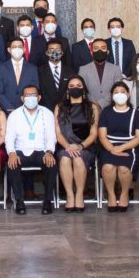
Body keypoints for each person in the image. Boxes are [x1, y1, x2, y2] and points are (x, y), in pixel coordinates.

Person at [6, 84, 57, 215]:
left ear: (39, 97)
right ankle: (19, 201)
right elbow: (9, 138)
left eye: (33, 95)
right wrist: (11, 153)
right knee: (12, 164)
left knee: (51, 164)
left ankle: (48, 201)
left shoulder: (47, 113)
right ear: (22, 98)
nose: (30, 98)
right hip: (20, 151)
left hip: (41, 151)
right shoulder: (14, 115)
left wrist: (49, 152)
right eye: (27, 96)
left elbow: (52, 136)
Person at [55, 76, 100, 212]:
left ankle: (79, 195)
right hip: (65, 146)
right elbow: (58, 133)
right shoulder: (59, 107)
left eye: (78, 85)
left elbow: (94, 133)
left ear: (83, 88)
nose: (75, 88)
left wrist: (80, 146)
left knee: (78, 159)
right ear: (68, 89)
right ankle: (70, 196)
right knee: (64, 158)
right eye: (72, 85)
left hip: (86, 146)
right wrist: (68, 146)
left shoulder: (92, 107)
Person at [97, 82, 139, 212]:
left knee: (124, 169)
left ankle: (124, 195)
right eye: (116, 92)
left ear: (128, 94)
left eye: (122, 91)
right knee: (108, 168)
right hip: (109, 146)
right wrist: (112, 149)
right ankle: (111, 196)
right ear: (112, 96)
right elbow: (102, 136)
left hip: (130, 147)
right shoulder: (106, 112)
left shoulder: (136, 114)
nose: (119, 94)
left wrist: (121, 148)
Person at [0, 37, 39, 113]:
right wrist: (9, 108)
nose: (17, 49)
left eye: (20, 47)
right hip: (7, 111)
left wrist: (27, 107)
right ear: (9, 50)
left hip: (27, 110)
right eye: (14, 47)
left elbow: (35, 90)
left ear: (24, 49)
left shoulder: (32, 68)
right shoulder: (1, 68)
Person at [78, 39, 123, 109]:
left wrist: (100, 103)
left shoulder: (116, 69)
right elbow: (83, 90)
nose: (100, 51)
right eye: (96, 48)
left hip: (110, 109)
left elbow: (117, 90)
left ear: (107, 52)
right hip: (90, 109)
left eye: (103, 48)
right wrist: (93, 104)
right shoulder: (83, 69)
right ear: (91, 52)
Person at [38, 39, 75, 110]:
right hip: (45, 110)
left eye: (58, 49)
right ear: (46, 52)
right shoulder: (39, 71)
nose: (54, 52)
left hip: (66, 110)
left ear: (62, 52)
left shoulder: (70, 71)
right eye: (51, 49)